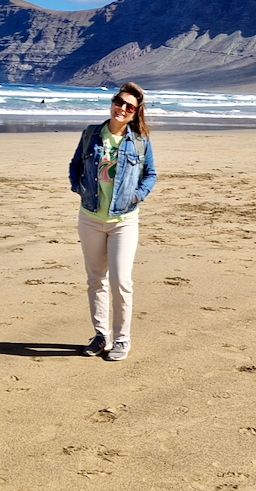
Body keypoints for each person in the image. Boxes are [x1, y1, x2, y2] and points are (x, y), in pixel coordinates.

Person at [69, 82, 157, 363]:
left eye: (129, 107)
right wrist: (79, 188)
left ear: (135, 114)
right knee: (96, 280)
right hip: (91, 218)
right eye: (119, 102)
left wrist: (137, 196)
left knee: (121, 281)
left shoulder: (140, 141)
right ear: (113, 102)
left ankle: (122, 339)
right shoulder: (92, 134)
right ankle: (100, 335)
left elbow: (151, 174)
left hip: (124, 221)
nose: (122, 108)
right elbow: (75, 165)